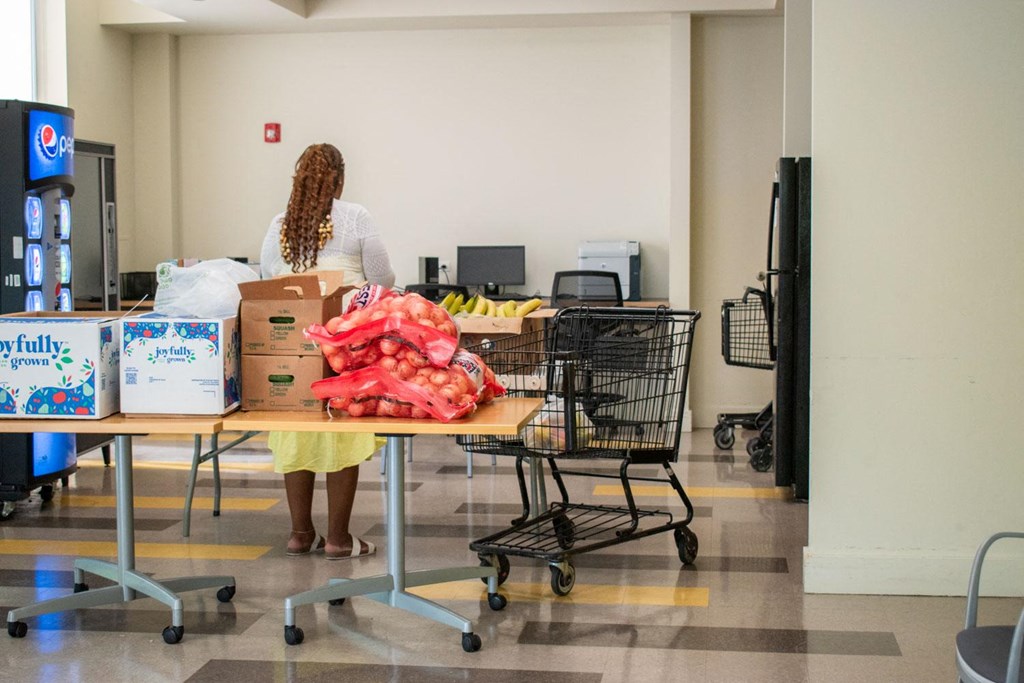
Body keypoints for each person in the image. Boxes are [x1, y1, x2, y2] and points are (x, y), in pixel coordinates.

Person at [260, 143, 395, 559]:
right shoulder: (355, 217)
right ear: (338, 178)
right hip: (343, 343)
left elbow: (267, 277)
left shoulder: (282, 224)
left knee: (294, 430)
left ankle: (301, 533)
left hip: (291, 346)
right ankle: (338, 538)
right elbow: (383, 278)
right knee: (341, 432)